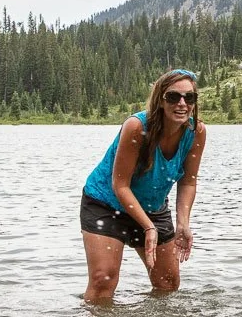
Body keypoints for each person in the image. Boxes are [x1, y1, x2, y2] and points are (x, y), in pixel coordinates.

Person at [80, 69, 207, 303]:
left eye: (189, 98)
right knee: (103, 280)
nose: (182, 104)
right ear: (160, 99)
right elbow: (120, 186)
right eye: (173, 97)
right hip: (106, 204)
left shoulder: (196, 131)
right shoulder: (137, 127)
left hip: (152, 206)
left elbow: (188, 181)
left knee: (168, 283)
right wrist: (149, 228)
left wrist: (183, 224)